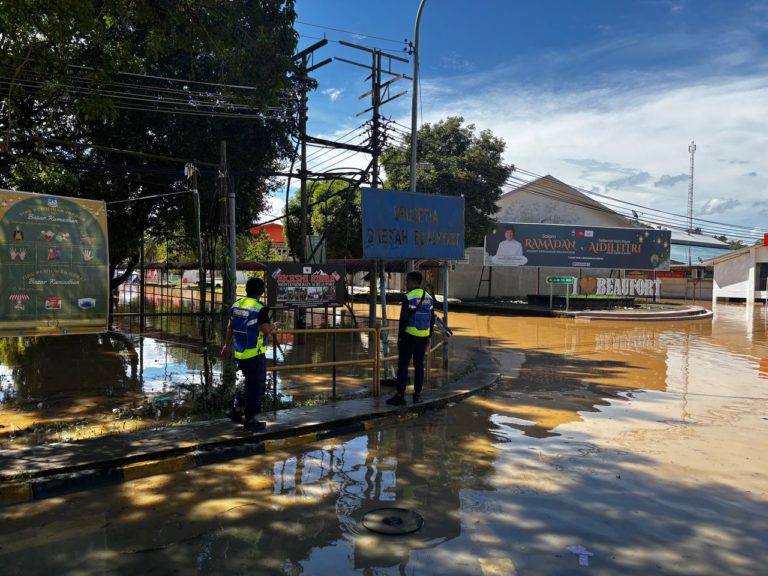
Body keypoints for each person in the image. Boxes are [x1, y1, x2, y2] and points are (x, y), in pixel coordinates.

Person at [221, 277, 277, 431]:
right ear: (261, 291)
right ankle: (250, 420)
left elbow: (230, 327)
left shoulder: (237, 305)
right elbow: (265, 329)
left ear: (246, 290)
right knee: (257, 386)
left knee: (249, 382)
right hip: (255, 354)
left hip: (240, 352)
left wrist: (226, 345)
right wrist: (274, 326)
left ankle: (236, 409)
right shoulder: (260, 308)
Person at [386, 271, 435, 406]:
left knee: (403, 366)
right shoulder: (429, 298)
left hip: (409, 336)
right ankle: (417, 395)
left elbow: (403, 320)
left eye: (407, 281)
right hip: (423, 338)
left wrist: (400, 338)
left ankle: (400, 396)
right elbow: (432, 319)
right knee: (419, 366)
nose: (405, 283)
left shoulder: (409, 297)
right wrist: (429, 337)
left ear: (414, 282)